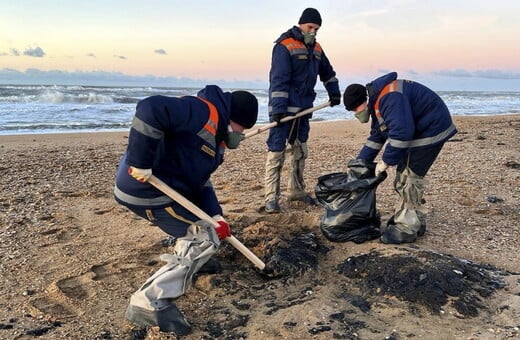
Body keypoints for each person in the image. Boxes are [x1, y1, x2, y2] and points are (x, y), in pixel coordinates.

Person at [114, 85, 258, 335]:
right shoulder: (201, 112)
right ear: (232, 118)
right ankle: (147, 300)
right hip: (147, 190)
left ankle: (192, 261)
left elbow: (201, 182)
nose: (241, 135)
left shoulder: (217, 141)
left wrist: (216, 215)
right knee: (203, 238)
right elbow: (150, 108)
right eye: (241, 129)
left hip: (171, 191)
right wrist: (141, 162)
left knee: (209, 230)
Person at [343, 72, 457, 244]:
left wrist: (385, 162)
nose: (355, 113)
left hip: (431, 130)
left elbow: (402, 133)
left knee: (409, 177)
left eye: (355, 109)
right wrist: (359, 163)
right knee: (405, 173)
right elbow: (377, 136)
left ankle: (407, 227)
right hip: (421, 128)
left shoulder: (389, 98)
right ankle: (414, 219)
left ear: (363, 101)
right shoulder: (378, 101)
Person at [264, 7, 341, 213]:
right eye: (310, 27)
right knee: (277, 151)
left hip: (304, 109)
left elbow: (328, 72)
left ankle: (296, 190)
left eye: (316, 29)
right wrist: (279, 109)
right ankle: (271, 197)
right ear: (301, 24)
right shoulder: (284, 45)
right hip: (284, 109)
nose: (313, 32)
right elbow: (278, 79)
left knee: (300, 149)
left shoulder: (317, 49)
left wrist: (334, 92)